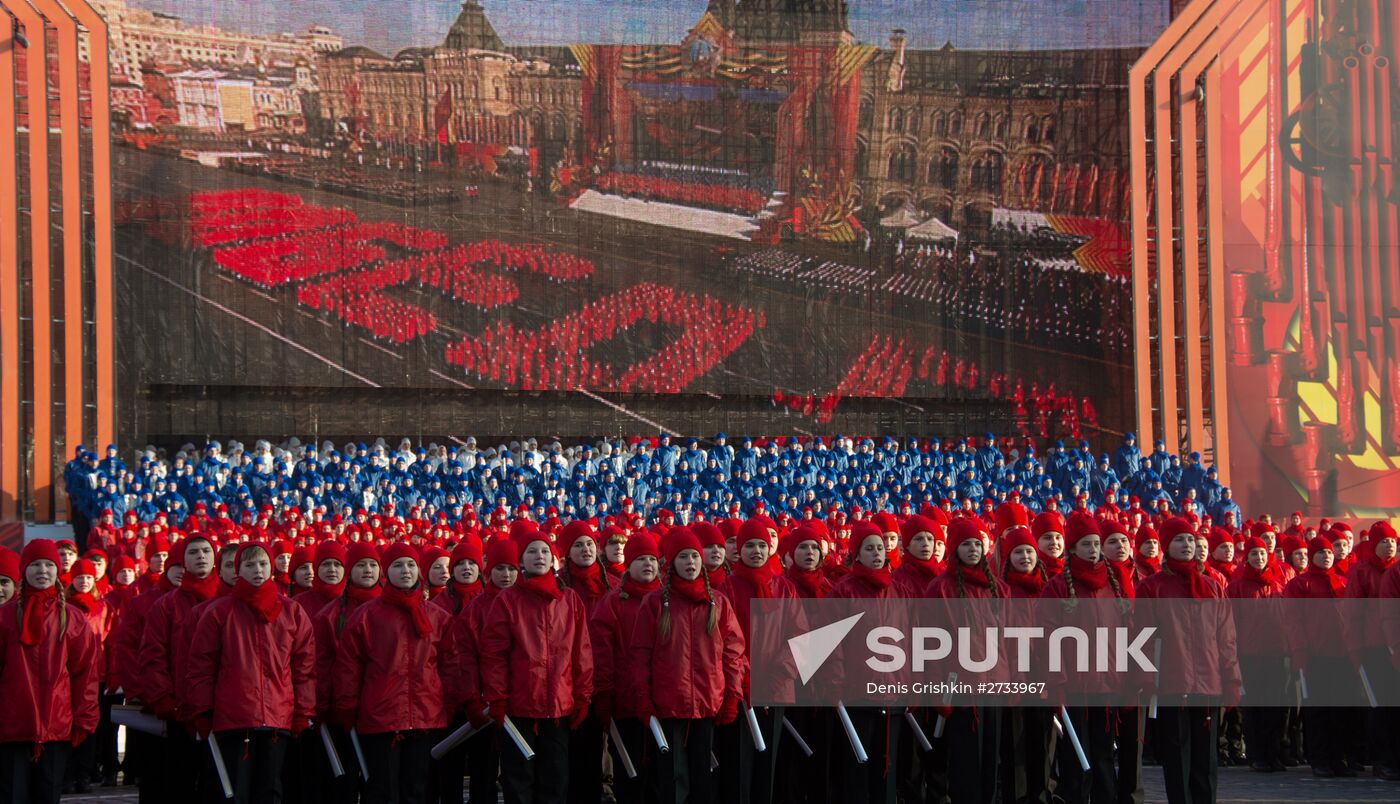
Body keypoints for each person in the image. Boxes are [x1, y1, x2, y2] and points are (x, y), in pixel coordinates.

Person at [185, 542, 316, 804]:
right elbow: (201, 667)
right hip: (233, 718)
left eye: (263, 564)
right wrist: (201, 710)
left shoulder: (291, 611)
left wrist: (303, 710)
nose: (257, 570)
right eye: (250, 565)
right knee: (235, 790)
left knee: (270, 789)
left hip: (278, 718)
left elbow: (304, 668)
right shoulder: (219, 613)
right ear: (237, 570)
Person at [629, 526, 745, 804]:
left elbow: (733, 653)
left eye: (694, 556)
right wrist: (643, 697)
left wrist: (732, 694)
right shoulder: (654, 603)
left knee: (703, 776)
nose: (690, 562)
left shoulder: (718, 602)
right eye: (683, 557)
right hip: (668, 706)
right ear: (669, 563)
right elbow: (641, 653)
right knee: (672, 778)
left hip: (707, 705)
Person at [479, 530, 592, 804]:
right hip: (519, 709)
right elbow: (495, 655)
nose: (539, 556)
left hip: (558, 707)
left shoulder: (570, 600)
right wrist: (498, 698)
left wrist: (582, 696)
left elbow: (582, 653)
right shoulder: (507, 601)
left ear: (553, 559)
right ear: (521, 561)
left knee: (554, 780)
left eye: (544, 551)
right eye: (531, 551)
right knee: (519, 781)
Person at [334, 542, 452, 804]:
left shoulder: (437, 617)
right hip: (381, 717)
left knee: (417, 788)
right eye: (398, 565)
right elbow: (350, 668)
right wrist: (347, 707)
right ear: (386, 573)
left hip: (425, 716)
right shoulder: (366, 617)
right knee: (382, 789)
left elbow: (449, 666)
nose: (406, 571)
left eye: (411, 565)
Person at [1136, 517, 1239, 804]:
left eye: (1191, 540)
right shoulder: (1152, 588)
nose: (1186, 545)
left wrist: (1232, 679)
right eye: (1179, 540)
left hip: (1208, 686)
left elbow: (1226, 640)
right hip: (1171, 686)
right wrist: (1145, 679)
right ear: (1167, 546)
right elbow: (1141, 640)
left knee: (1205, 764)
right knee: (1177, 761)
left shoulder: (1212, 586)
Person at [0, 540, 100, 804]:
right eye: (35, 564)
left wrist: (85, 717)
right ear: (24, 570)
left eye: (48, 564)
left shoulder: (73, 618)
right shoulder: (5, 617)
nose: (42, 570)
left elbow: (85, 673)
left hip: (57, 726)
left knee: (48, 795)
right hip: (11, 727)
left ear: (57, 570)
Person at [924, 517, 1007, 804]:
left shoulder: (997, 588)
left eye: (976, 543)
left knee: (989, 764)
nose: (973, 548)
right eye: (965, 544)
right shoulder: (940, 588)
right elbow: (930, 645)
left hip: (992, 687)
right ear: (953, 548)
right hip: (958, 690)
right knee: (964, 766)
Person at [136, 534, 221, 802]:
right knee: (181, 781)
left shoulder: (229, 600)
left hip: (224, 709)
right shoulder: (166, 605)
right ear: (182, 561)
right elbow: (153, 656)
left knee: (217, 782)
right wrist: (164, 698)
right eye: (193, 552)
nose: (201, 557)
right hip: (179, 710)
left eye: (206, 551)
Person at [828, 522, 901, 804]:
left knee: (886, 775)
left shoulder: (899, 591)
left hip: (892, 696)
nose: (876, 554)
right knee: (856, 776)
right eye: (868, 548)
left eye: (880, 548)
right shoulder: (843, 592)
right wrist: (836, 686)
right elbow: (833, 646)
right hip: (856, 696)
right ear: (856, 554)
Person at [589, 531, 662, 804]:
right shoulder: (613, 602)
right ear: (628, 565)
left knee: (659, 776)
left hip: (663, 703)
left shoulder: (667, 600)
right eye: (640, 559)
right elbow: (601, 653)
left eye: (652, 559)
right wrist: (605, 692)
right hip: (626, 702)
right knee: (629, 775)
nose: (647, 565)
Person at [445, 538, 519, 804]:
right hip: (485, 705)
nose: (507, 575)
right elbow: (465, 659)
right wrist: (473, 698)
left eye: (512, 568)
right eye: (500, 568)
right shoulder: (475, 610)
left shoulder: (529, 604)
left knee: (517, 774)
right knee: (483, 771)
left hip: (522, 703)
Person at [308, 541, 381, 801]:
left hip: (382, 712)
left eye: (373, 565)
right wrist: (324, 705)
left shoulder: (389, 610)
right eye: (361, 565)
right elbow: (322, 665)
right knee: (344, 784)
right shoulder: (329, 616)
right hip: (341, 714)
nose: (368, 571)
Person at [1282, 534, 1350, 777]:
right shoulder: (1300, 584)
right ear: (1312, 556)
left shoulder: (1342, 582)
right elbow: (1292, 621)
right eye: (1321, 552)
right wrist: (1300, 651)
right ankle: (1320, 759)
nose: (1327, 556)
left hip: (1342, 655)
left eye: (1330, 552)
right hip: (1315, 656)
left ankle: (1338, 758)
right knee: (1318, 710)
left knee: (1341, 710)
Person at [1226, 535, 1286, 773]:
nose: (1259, 558)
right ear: (1246, 558)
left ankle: (1273, 754)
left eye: (1262, 553)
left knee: (1276, 707)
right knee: (1254, 708)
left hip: (1276, 653)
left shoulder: (1278, 586)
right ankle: (1257, 755)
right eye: (1254, 554)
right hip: (1249, 655)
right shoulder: (1237, 587)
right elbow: (1231, 623)